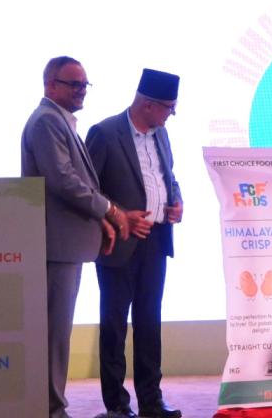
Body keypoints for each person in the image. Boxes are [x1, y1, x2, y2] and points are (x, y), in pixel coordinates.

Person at [21, 56, 130, 418]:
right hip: (57, 245)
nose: (82, 90)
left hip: (66, 243)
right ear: (50, 85)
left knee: (57, 333)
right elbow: (63, 179)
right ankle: (52, 410)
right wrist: (109, 210)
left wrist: (100, 220)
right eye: (74, 84)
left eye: (85, 84)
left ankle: (53, 406)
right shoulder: (47, 121)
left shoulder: (59, 120)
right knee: (54, 334)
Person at [86, 68, 183, 418]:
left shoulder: (162, 134)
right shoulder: (104, 133)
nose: (172, 114)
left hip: (156, 240)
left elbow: (167, 176)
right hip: (119, 241)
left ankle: (151, 401)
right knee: (114, 324)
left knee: (149, 321)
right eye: (169, 107)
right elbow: (88, 189)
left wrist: (176, 200)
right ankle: (117, 406)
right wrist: (121, 215)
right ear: (147, 105)